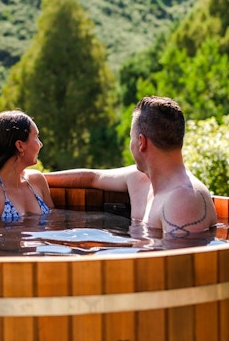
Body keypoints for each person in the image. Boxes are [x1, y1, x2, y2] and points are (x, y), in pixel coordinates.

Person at [45, 96, 217, 236]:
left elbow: (179, 271)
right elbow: (92, 178)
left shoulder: (183, 199)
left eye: (131, 138)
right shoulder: (139, 178)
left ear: (141, 142)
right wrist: (32, 177)